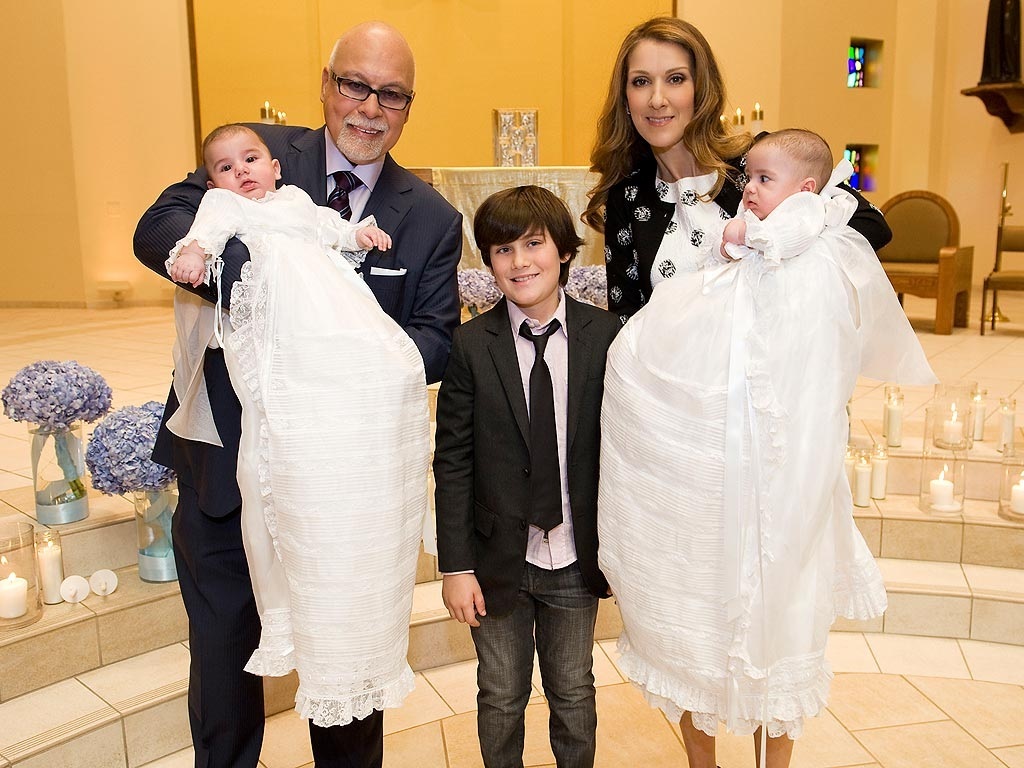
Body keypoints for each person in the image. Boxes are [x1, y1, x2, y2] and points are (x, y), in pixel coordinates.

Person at [134, 21, 462, 768]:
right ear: (325, 84)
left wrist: (344, 367)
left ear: (409, 106)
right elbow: (159, 227)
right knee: (223, 670)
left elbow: (435, 339)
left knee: (345, 673)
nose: (369, 108)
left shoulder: (430, 217)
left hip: (341, 495)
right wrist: (256, 284)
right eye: (354, 85)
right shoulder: (255, 155)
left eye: (392, 94)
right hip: (226, 465)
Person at [597, 128, 937, 768]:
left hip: (782, 453)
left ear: (806, 189)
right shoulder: (671, 206)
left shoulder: (816, 227)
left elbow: (821, 319)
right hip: (714, 448)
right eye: (748, 178)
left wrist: (759, 235)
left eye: (762, 180)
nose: (748, 189)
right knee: (699, 605)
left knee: (779, 614)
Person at [166, 122, 428, 737]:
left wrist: (358, 233)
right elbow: (193, 236)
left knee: (386, 357)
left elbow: (331, 229)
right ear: (212, 181)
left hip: (334, 316)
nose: (241, 172)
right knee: (276, 397)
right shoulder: (224, 208)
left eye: (251, 160)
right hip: (278, 325)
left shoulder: (297, 203)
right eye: (226, 167)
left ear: (276, 167)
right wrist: (195, 255)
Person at [433, 186, 620, 768]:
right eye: (502, 250)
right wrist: (456, 566)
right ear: (488, 263)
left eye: (533, 245)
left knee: (574, 690)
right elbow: (453, 461)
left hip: (574, 555)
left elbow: (625, 451)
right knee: (500, 693)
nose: (519, 262)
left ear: (563, 250)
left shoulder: (605, 335)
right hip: (496, 558)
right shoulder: (471, 345)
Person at [581, 16, 892, 325]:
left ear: (701, 89)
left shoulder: (756, 164)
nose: (657, 99)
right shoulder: (627, 196)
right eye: (641, 81)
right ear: (625, 99)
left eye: (675, 79)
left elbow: (871, 224)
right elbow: (626, 317)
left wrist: (779, 248)